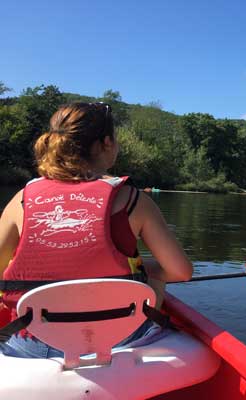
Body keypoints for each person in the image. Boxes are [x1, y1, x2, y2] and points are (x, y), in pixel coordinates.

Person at [0, 102, 193, 358]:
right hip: (120, 338)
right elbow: (181, 271)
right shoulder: (133, 201)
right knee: (154, 274)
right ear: (106, 143)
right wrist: (142, 268)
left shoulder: (22, 200)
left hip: (33, 343)